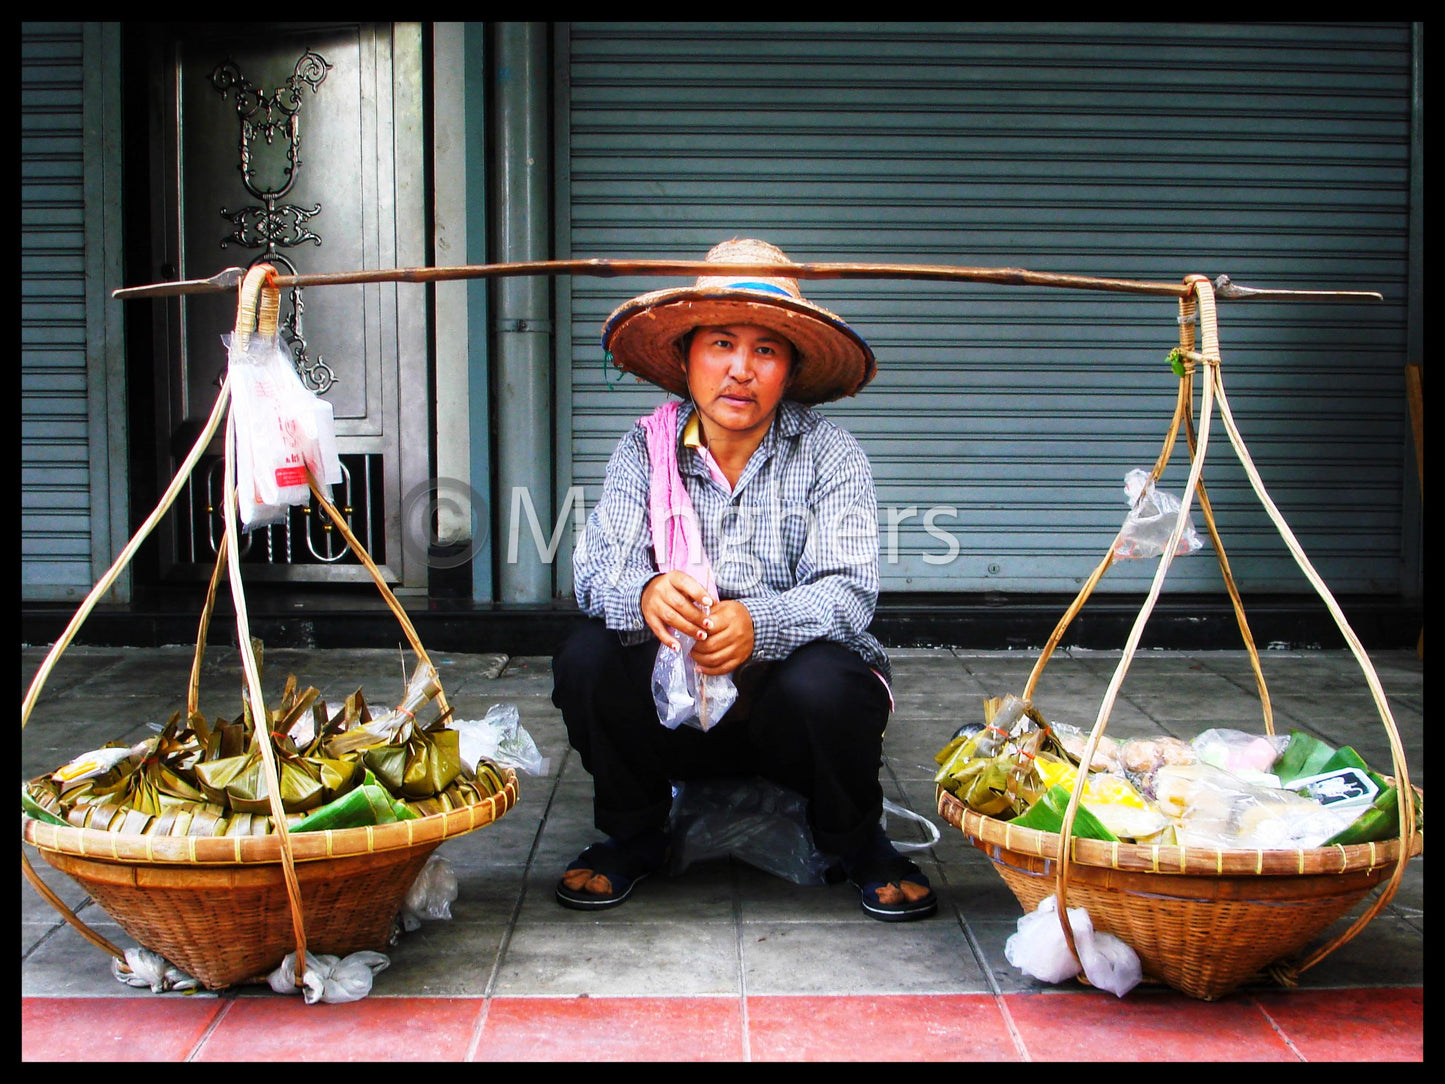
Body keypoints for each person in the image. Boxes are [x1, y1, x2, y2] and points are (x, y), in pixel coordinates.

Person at [550, 237, 936, 922]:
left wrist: (759, 626)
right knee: (585, 653)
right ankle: (633, 834)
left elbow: (848, 592)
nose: (739, 369)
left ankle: (854, 840)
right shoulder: (642, 450)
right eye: (721, 343)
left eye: (764, 350)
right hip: (673, 716)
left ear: (788, 369)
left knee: (829, 679)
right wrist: (644, 596)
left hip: (779, 724)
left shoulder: (830, 454)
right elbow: (596, 571)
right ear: (685, 357)